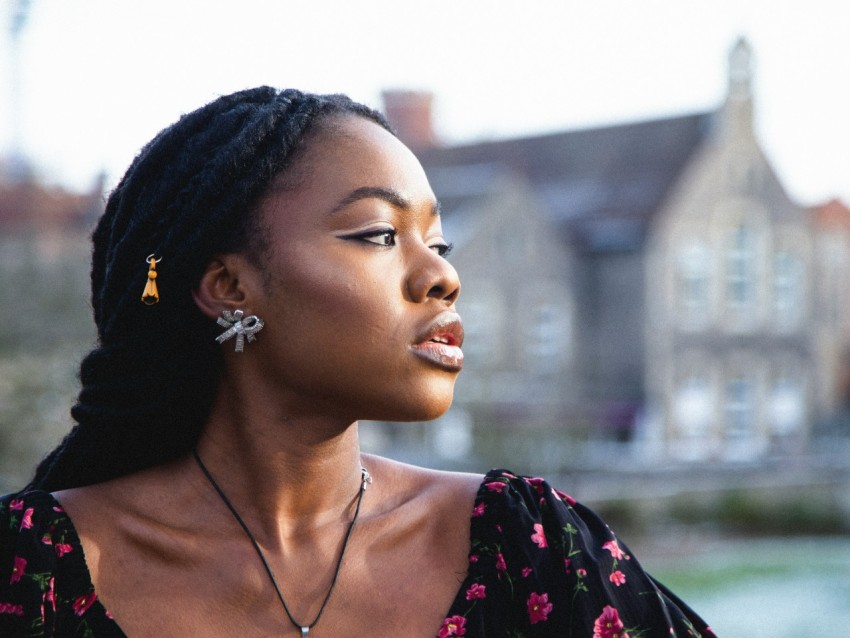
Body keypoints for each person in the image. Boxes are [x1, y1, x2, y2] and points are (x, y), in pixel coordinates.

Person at [0, 87, 714, 637]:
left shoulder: (526, 546)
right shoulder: (33, 571)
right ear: (228, 287)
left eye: (440, 243)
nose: (441, 276)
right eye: (378, 234)